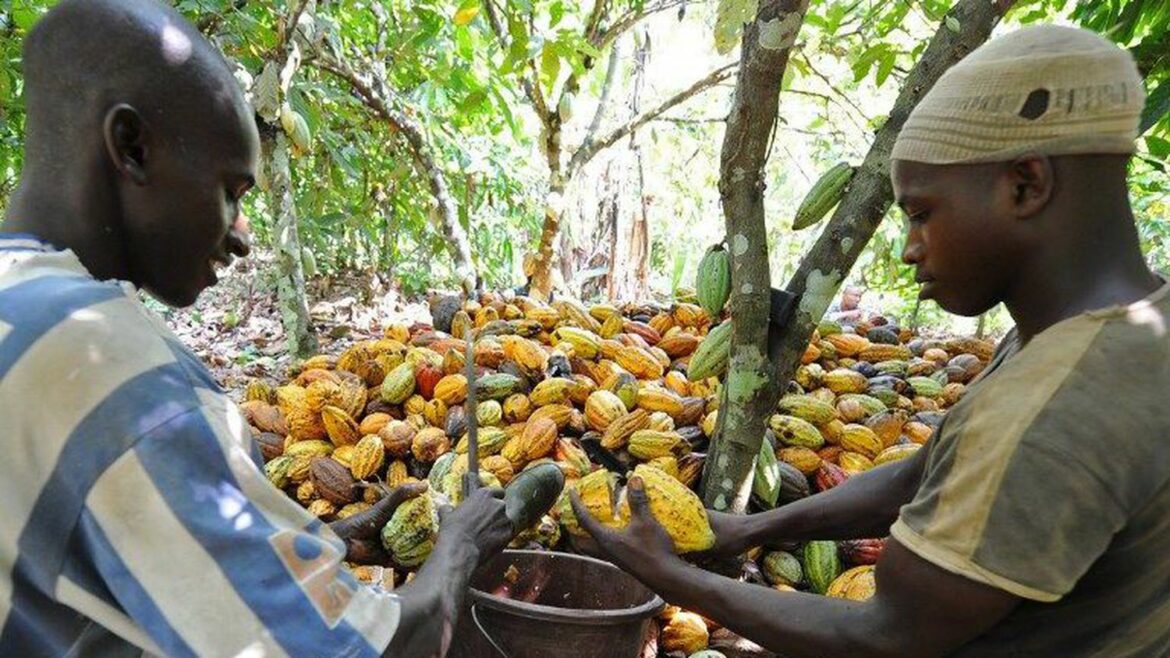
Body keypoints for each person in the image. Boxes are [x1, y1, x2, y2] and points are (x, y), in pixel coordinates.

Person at [575, 24, 1170, 657]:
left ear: (1026, 184)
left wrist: (668, 576)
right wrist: (743, 530)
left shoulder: (1054, 405)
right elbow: (916, 478)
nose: (911, 249)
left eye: (922, 213)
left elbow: (886, 635)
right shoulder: (1100, 330)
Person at [0, 1, 512, 656]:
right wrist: (461, 543)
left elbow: (87, 566)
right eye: (231, 191)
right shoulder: (112, 368)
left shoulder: (22, 307)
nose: (242, 236)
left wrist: (315, 540)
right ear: (131, 147)